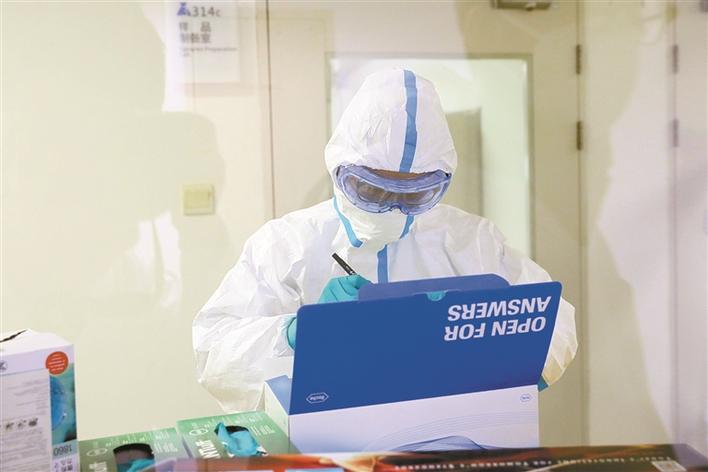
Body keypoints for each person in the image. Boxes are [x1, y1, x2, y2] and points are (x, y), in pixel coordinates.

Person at [193, 69, 578, 412]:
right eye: (372, 190)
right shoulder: (286, 243)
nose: (392, 208)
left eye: (414, 195)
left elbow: (552, 320)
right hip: (324, 443)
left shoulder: (472, 240)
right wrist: (297, 332)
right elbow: (215, 352)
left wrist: (498, 355)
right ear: (339, 170)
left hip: (450, 436)